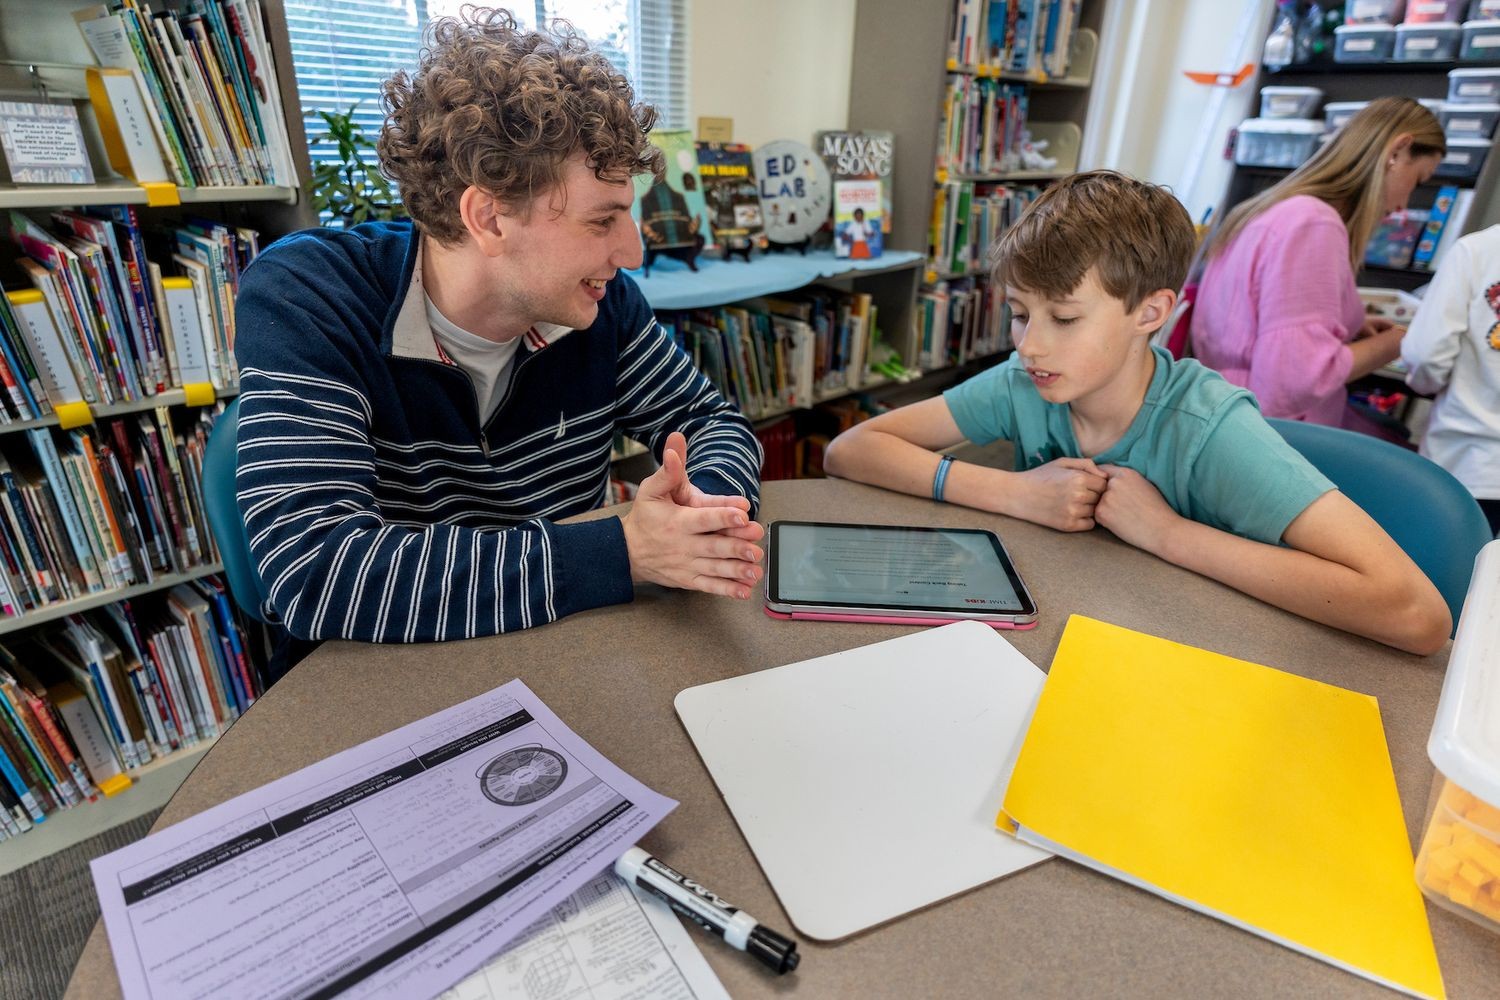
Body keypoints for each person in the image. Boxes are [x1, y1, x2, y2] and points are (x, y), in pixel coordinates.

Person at [233, 9, 764, 664]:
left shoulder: (600, 306)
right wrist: (627, 551)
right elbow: (315, 570)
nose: (631, 252)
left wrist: (703, 510)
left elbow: (708, 419)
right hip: (383, 681)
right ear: (488, 217)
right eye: (603, 222)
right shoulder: (313, 297)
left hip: (561, 649)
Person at [822, 170, 1450, 655]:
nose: (1029, 343)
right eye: (1020, 313)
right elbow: (850, 451)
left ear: (1150, 314)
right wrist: (1016, 494)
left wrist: (1167, 533)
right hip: (1090, 632)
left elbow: (1418, 615)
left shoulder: (1210, 430)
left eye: (1064, 318)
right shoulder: (1025, 381)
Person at [1190, 97, 1446, 427]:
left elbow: (1260, 322)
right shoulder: (1314, 225)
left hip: (1229, 409)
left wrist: (1347, 328)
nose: (1403, 205)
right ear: (1397, 152)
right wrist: (1398, 342)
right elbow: (1296, 380)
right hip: (1266, 428)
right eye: (1418, 180)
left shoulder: (1281, 209)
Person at [1400, 224, 1500, 537]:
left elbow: (1427, 355)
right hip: (1471, 463)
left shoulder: (1478, 251)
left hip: (1467, 461)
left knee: (1447, 573)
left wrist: (1426, 383)